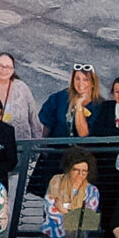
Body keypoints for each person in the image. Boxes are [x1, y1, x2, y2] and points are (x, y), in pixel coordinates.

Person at [30, 66, 108, 196]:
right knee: (53, 196)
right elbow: (48, 124)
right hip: (56, 155)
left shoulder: (100, 105)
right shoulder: (59, 98)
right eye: (77, 79)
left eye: (86, 79)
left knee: (78, 197)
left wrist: (79, 106)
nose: (81, 83)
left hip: (82, 160)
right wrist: (45, 147)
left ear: (93, 83)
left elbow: (84, 134)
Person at [41, 151, 100, 238]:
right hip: (53, 234)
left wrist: (63, 210)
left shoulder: (92, 191)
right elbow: (51, 211)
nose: (80, 174)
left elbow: (88, 220)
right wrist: (75, 214)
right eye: (76, 170)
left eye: (84, 171)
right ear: (68, 169)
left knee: (75, 230)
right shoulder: (56, 182)